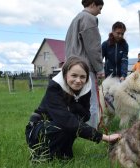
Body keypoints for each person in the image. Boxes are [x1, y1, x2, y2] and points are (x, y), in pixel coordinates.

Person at [25, 57, 121, 161]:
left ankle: (62, 155)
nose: (78, 81)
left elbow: (85, 116)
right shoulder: (54, 88)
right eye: (74, 75)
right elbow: (66, 121)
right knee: (66, 125)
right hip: (38, 130)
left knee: (73, 123)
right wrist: (104, 137)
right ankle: (41, 154)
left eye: (83, 77)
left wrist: (73, 106)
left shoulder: (85, 89)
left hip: (59, 126)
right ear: (65, 74)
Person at [65, 0, 104, 129]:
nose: (100, 11)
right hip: (84, 69)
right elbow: (93, 48)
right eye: (99, 7)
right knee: (92, 103)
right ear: (92, 4)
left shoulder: (75, 19)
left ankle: (74, 130)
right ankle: (92, 132)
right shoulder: (89, 18)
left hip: (72, 69)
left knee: (74, 102)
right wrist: (99, 68)